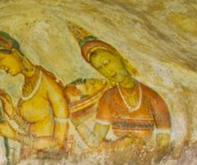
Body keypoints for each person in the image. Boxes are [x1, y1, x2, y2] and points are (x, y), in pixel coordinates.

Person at [68, 23, 171, 151]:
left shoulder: (152, 97)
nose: (107, 70)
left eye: (107, 62)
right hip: (118, 158)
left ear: (118, 56)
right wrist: (78, 124)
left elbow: (163, 143)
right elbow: (94, 141)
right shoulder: (108, 98)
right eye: (100, 68)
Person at [0, 25, 70, 159]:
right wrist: (12, 113)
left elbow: (58, 142)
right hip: (30, 160)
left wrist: (14, 135)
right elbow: (34, 128)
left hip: (49, 162)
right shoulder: (28, 84)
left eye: (0, 59)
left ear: (15, 53)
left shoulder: (50, 87)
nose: (0, 66)